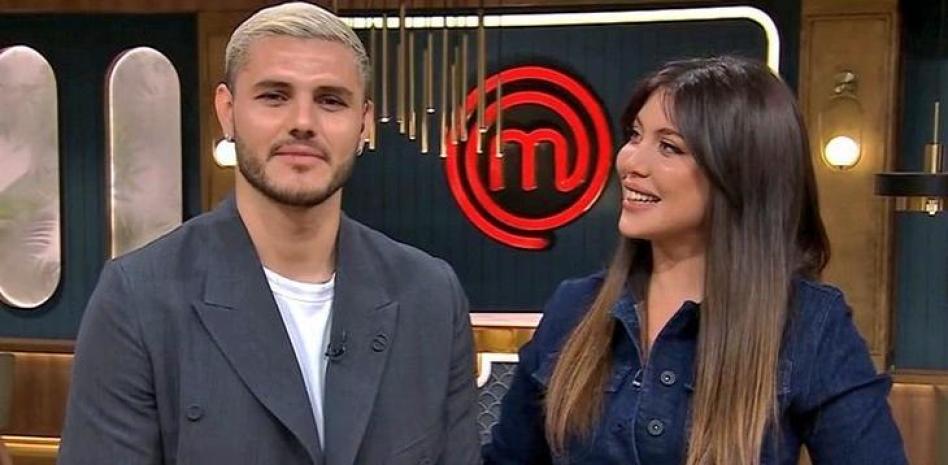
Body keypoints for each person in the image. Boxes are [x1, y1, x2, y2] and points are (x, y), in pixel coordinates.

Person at [58, 3, 479, 464]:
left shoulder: (431, 297)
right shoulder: (138, 300)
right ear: (228, 112)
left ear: (363, 123)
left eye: (330, 100)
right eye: (274, 96)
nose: (303, 122)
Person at [483, 56, 907, 465]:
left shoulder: (809, 324)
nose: (631, 162)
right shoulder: (575, 308)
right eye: (635, 135)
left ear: (738, 175)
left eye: (668, 147)